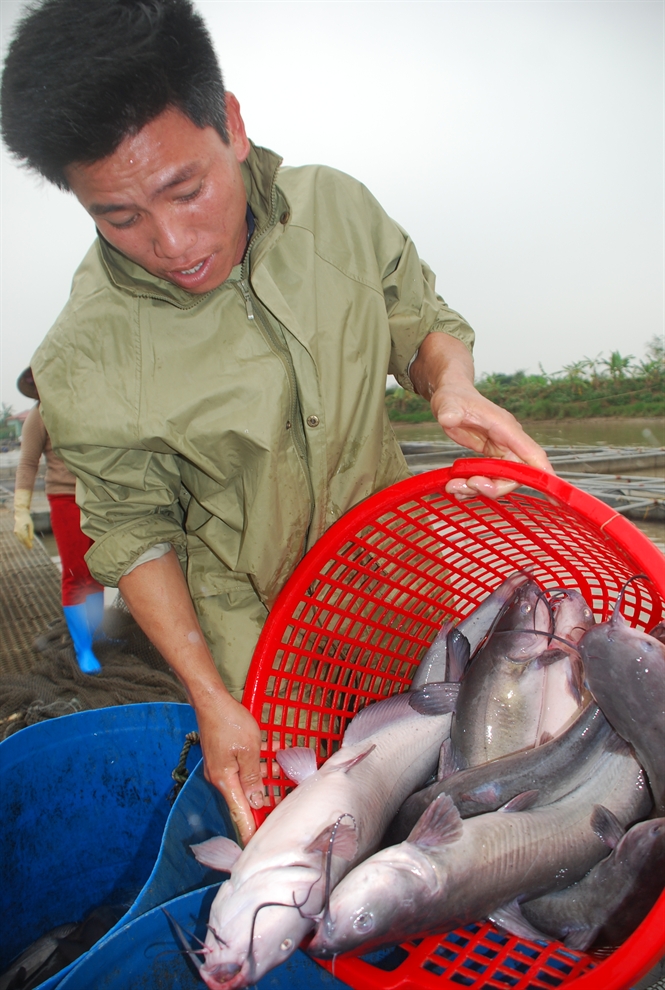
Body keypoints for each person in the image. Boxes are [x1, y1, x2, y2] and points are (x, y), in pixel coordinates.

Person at [1, 0, 552, 844]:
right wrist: (211, 697)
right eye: (119, 218)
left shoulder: (336, 210)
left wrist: (453, 385)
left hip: (402, 570)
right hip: (257, 629)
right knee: (315, 834)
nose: (174, 241)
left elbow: (420, 318)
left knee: (460, 774)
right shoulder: (84, 355)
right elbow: (134, 533)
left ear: (230, 123)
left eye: (186, 189)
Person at [13, 368, 104, 674]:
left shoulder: (86, 408)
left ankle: (97, 632)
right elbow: (27, 462)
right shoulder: (39, 416)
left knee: (98, 569)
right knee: (75, 574)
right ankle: (84, 648)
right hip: (65, 499)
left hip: (96, 497)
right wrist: (21, 509)